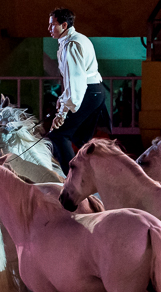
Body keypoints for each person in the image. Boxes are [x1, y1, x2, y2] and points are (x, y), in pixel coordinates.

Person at [47, 7, 110, 175]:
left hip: (88, 92)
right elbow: (73, 81)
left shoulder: (72, 44)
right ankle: (100, 172)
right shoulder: (76, 39)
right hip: (95, 91)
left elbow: (76, 81)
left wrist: (61, 113)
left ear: (64, 25)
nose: (49, 29)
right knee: (80, 140)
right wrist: (63, 98)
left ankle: (72, 179)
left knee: (58, 135)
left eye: (52, 25)